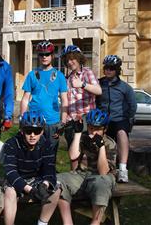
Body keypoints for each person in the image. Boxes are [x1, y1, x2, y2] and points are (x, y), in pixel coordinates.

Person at [57, 108, 117, 225]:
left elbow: (103, 171)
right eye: (90, 128)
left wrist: (101, 147)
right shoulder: (84, 138)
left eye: (98, 129)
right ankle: (67, 222)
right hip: (81, 175)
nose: (93, 132)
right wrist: (78, 133)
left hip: (100, 177)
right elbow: (73, 156)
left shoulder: (110, 143)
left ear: (105, 129)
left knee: (102, 183)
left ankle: (95, 222)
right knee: (58, 180)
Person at [3, 110, 61, 225]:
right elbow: (10, 171)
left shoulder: (47, 144)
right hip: (17, 178)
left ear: (42, 131)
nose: (32, 135)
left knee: (57, 188)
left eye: (37, 131)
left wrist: (45, 185)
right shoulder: (11, 143)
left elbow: (49, 169)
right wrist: (29, 189)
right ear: (22, 130)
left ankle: (42, 223)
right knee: (10, 192)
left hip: (36, 178)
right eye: (28, 131)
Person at [20, 40, 68, 153]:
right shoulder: (32, 74)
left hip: (53, 121)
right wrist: (22, 118)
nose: (44, 57)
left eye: (47, 54)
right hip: (34, 121)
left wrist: (63, 122)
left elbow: (65, 100)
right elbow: (25, 99)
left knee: (51, 154)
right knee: (34, 153)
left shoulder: (59, 76)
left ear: (52, 56)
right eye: (41, 54)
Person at [96, 55, 137, 183]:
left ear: (117, 70)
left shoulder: (125, 87)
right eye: (106, 68)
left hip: (119, 119)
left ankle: (123, 169)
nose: (108, 70)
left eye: (111, 68)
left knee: (121, 133)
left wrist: (127, 119)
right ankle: (103, 168)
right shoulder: (99, 83)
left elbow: (133, 105)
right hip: (103, 120)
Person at [60, 45, 102, 169]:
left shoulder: (87, 72)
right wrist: (64, 119)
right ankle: (74, 176)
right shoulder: (68, 78)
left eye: (72, 59)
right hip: (71, 120)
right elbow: (65, 101)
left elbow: (98, 91)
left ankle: (86, 176)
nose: (70, 62)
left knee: (85, 151)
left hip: (85, 117)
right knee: (72, 151)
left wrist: (83, 84)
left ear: (79, 58)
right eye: (67, 60)